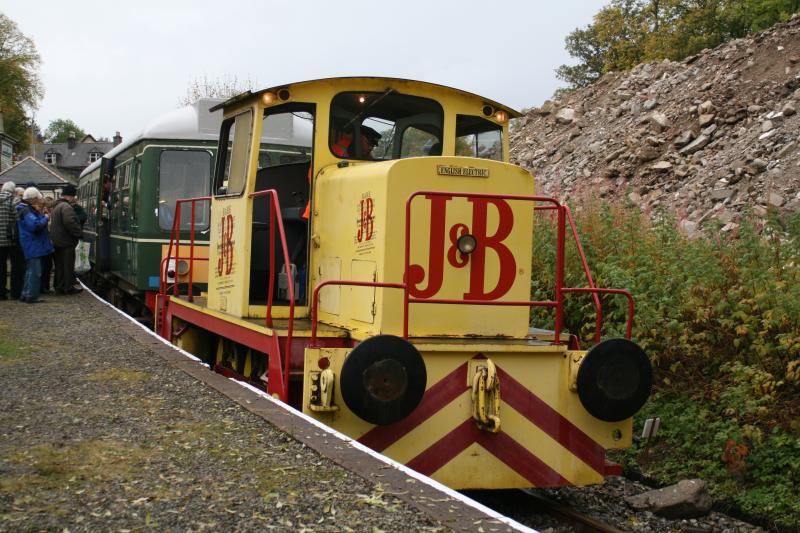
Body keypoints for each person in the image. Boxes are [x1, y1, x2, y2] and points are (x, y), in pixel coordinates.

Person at [16, 187, 54, 303]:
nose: (39, 200)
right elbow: (35, 226)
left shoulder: (26, 209)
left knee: (30, 270)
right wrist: (46, 218)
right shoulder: (27, 211)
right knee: (35, 271)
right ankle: (31, 296)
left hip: (31, 243)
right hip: (32, 244)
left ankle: (26, 294)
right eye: (38, 198)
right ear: (33, 199)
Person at [50, 185, 84, 295]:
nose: (74, 198)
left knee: (59, 266)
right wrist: (79, 233)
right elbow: (70, 222)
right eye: (74, 196)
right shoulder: (66, 207)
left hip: (57, 241)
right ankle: (68, 287)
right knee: (67, 265)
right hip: (66, 242)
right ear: (71, 196)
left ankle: (59, 286)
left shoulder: (57, 206)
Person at [0, 181, 17, 300]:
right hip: (7, 239)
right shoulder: (11, 200)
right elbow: (17, 218)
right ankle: (5, 291)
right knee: (7, 266)